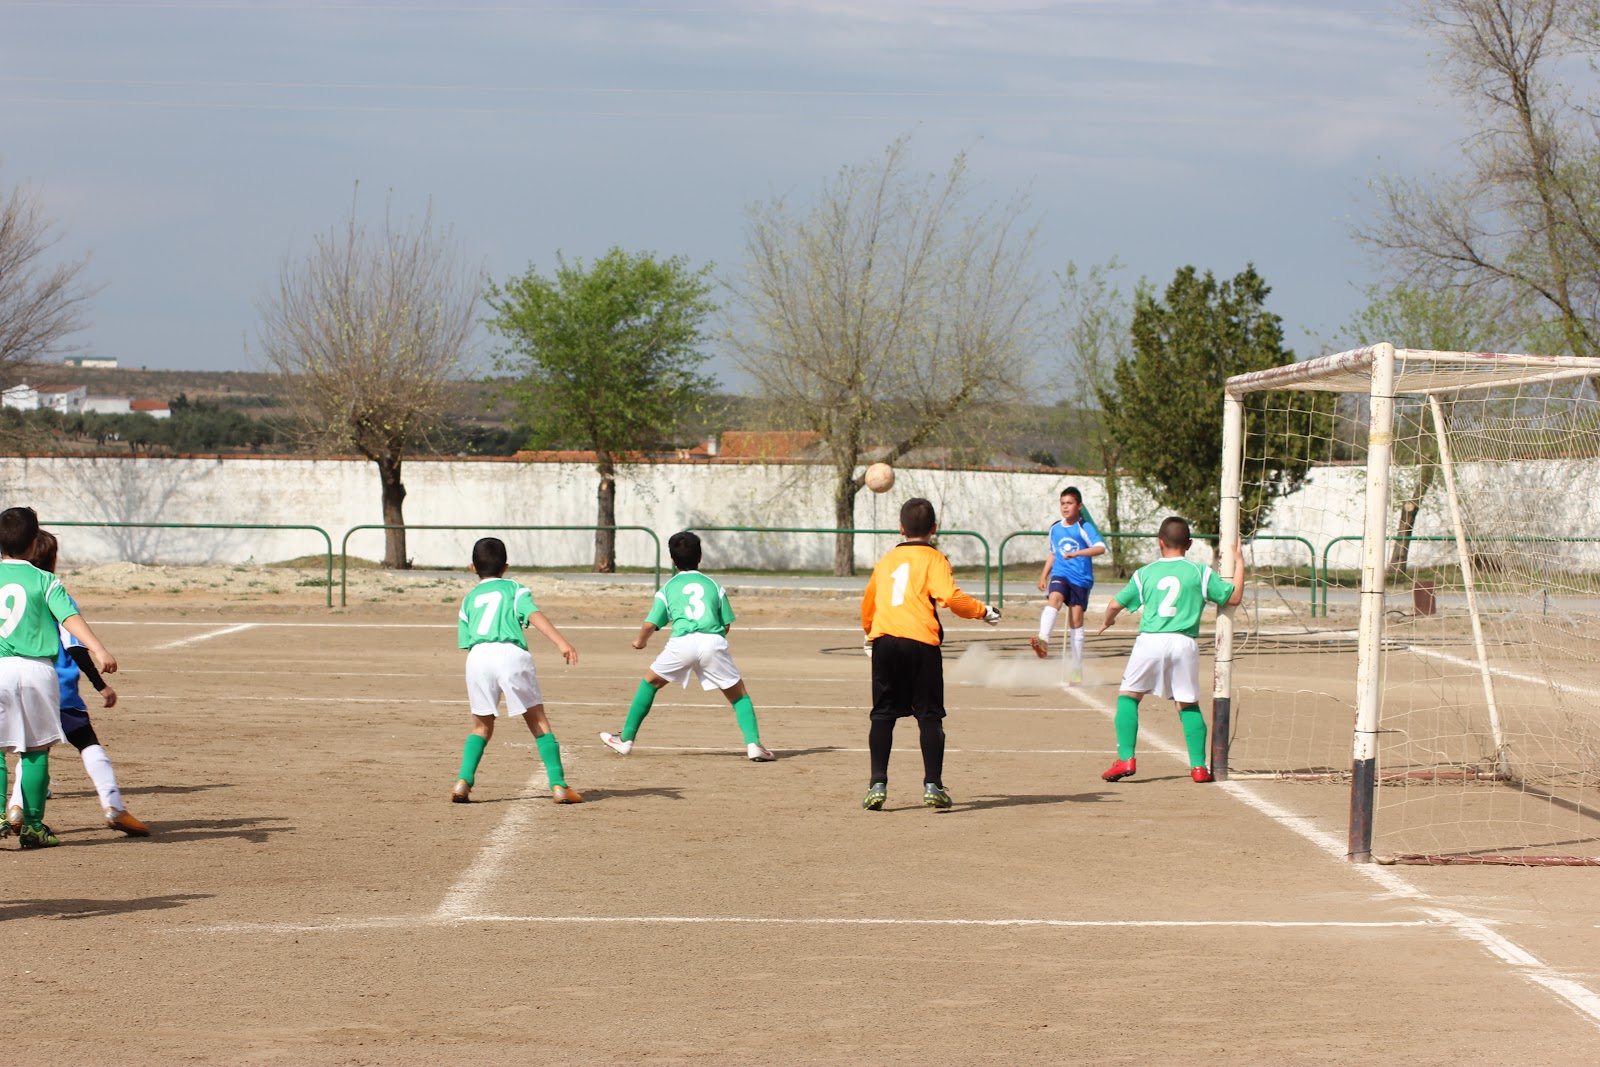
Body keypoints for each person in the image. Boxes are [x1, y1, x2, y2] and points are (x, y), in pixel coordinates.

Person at [3, 531, 148, 837]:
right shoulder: (52, 588)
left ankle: (15, 808)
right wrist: (100, 685)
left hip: (12, 680)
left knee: (25, 749)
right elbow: (76, 647)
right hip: (57, 688)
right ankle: (112, 805)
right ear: (52, 558)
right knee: (82, 744)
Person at [860, 497, 1001, 810]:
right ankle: (932, 785)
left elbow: (869, 603)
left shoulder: (885, 562)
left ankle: (876, 785)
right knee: (929, 715)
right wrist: (983, 611)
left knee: (882, 714)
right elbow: (950, 598)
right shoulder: (935, 559)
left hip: (885, 641)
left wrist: (871, 634)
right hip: (921, 643)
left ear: (900, 528)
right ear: (934, 529)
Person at [600, 531, 775, 762]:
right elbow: (726, 624)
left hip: (681, 643)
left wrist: (640, 641)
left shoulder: (668, 588)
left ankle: (625, 739)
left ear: (672, 560)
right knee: (739, 696)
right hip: (712, 642)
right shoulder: (714, 585)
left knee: (650, 683)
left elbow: (650, 623)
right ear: (700, 557)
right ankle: (754, 745)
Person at [1095, 517, 1243, 784]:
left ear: (1159, 542)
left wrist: (1108, 621)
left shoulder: (1145, 573)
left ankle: (1126, 758)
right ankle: (1199, 767)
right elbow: (1233, 598)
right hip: (1184, 643)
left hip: (1150, 641)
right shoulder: (1200, 572)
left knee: (1128, 697)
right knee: (1187, 704)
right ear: (1189, 544)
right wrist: (1241, 564)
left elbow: (1115, 604)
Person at [452, 537, 582, 804]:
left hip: (478, 657)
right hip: (511, 654)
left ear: (472, 568)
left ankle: (463, 781)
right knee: (537, 721)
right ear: (506, 566)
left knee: (481, 726)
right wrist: (562, 642)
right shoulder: (515, 589)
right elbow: (533, 613)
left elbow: (466, 642)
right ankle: (558, 785)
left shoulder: (468, 599)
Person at [1031, 486, 1105, 682]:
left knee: (1076, 620)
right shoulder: (1055, 528)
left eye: (1070, 503)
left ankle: (1076, 667)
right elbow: (1053, 553)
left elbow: (1100, 548)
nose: (1065, 507)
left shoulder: (1085, 527)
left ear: (1079, 506)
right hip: (1061, 573)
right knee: (1054, 598)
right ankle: (1043, 638)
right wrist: (1043, 575)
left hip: (1081, 578)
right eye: (1063, 503)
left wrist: (1078, 553)